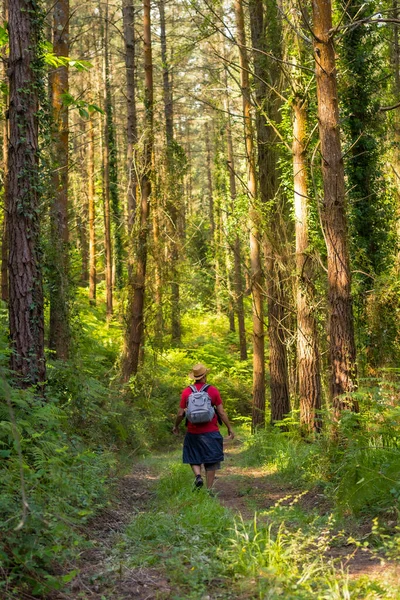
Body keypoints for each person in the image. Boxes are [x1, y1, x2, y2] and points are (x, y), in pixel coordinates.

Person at [172, 362, 234, 491]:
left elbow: (180, 413)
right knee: (211, 461)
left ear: (194, 377)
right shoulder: (212, 390)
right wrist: (229, 428)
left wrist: (176, 426)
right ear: (205, 376)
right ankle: (209, 489)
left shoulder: (187, 392)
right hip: (211, 431)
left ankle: (198, 476)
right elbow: (221, 412)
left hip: (193, 432)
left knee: (193, 455)